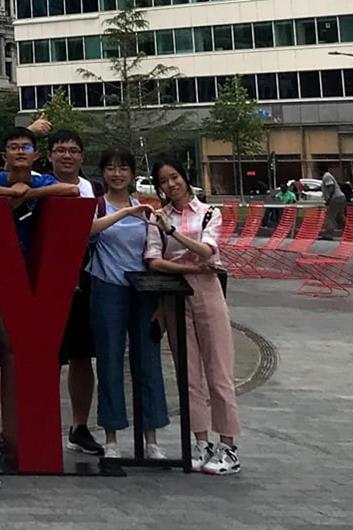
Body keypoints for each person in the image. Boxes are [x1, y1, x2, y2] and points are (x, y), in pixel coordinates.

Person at [0, 127, 79, 461]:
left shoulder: (41, 182)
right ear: (5, 155)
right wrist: (10, 190)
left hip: (28, 284)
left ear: (35, 155)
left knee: (23, 357)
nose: (19, 152)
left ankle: (24, 431)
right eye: (13, 147)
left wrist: (27, 194)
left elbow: (70, 189)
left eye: (25, 147)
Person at [146, 159, 242, 476]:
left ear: (186, 179)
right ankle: (200, 442)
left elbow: (208, 251)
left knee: (219, 369)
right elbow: (154, 260)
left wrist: (172, 232)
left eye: (174, 177)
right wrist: (188, 266)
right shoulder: (157, 218)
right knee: (188, 373)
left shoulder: (209, 213)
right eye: (163, 181)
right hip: (174, 294)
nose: (170, 185)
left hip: (208, 290)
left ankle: (228, 445)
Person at [87, 149, 168, 459]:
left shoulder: (147, 208)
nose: (117, 174)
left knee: (148, 360)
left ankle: (152, 437)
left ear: (132, 173)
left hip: (143, 290)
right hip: (108, 287)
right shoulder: (98, 206)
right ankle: (110, 437)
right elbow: (89, 231)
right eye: (110, 168)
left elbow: (158, 248)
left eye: (123, 168)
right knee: (109, 360)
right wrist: (124, 214)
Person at [46, 130, 105, 457]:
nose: (66, 156)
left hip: (84, 281)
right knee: (46, 357)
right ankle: (41, 424)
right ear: (50, 155)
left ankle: (79, 426)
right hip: (44, 283)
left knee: (82, 356)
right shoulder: (38, 186)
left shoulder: (94, 191)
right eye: (60, 150)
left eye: (72, 151)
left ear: (82, 156)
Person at [320, 164, 347, 239]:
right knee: (340, 217)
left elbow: (331, 187)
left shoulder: (326, 176)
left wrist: (329, 199)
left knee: (330, 216)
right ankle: (349, 233)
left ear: (321, 171)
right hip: (340, 197)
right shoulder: (328, 175)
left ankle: (328, 234)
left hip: (335, 198)